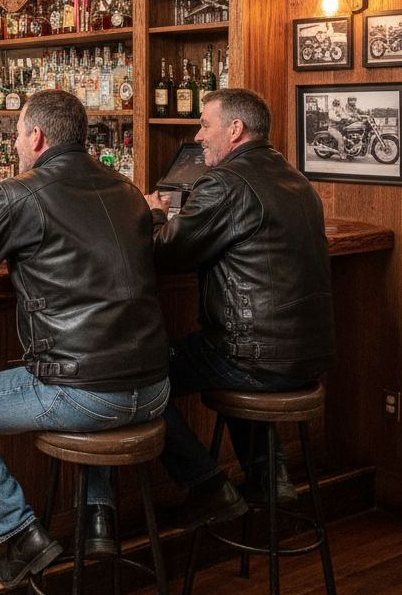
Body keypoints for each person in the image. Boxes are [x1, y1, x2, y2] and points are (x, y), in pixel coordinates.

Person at [0, 90, 170, 587]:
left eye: (16, 133)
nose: (14, 144)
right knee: (97, 381)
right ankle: (97, 521)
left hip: (85, 395)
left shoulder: (22, 194)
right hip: (155, 391)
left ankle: (20, 535)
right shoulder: (126, 189)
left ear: (36, 136)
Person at [143, 89, 335, 530]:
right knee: (228, 354)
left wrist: (156, 214)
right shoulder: (295, 177)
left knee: (133, 375)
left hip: (254, 358)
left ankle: (207, 486)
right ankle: (270, 478)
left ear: (235, 129)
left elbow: (167, 253)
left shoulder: (225, 182)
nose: (198, 136)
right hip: (309, 358)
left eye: (206, 125)